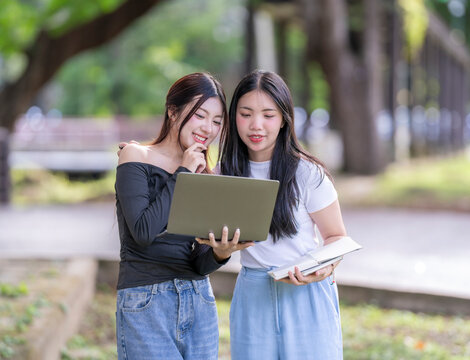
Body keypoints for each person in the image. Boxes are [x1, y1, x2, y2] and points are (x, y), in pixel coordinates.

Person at [115, 72, 252, 359]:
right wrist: (183, 174)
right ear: (173, 111)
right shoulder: (135, 156)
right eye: (200, 115)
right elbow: (143, 231)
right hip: (145, 300)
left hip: (198, 298)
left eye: (216, 121)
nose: (208, 128)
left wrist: (220, 253)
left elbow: (198, 264)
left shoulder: (206, 173)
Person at [211, 70, 347, 359]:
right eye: (246, 114)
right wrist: (221, 251)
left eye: (268, 115)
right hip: (253, 294)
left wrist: (323, 269)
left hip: (306, 292)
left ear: (285, 118)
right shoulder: (223, 175)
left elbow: (336, 236)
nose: (256, 125)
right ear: (234, 117)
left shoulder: (308, 173)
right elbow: (208, 242)